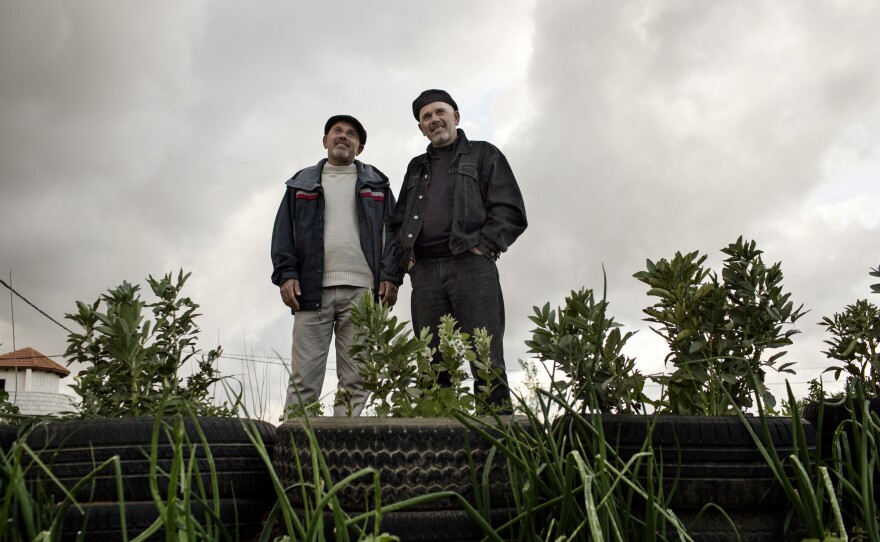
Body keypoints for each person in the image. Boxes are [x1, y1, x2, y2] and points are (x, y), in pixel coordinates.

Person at [390, 89, 527, 411]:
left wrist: (483, 247)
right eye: (426, 117)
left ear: (456, 116)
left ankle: (495, 444)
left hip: (472, 267)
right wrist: (407, 261)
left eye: (440, 112)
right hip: (425, 273)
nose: (434, 119)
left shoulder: (483, 154)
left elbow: (509, 210)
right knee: (431, 361)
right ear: (421, 128)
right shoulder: (416, 167)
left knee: (485, 357)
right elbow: (398, 221)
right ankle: (440, 448)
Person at [271, 115, 400, 417]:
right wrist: (286, 274)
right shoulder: (300, 184)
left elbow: (394, 235)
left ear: (360, 146)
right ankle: (300, 455)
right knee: (304, 381)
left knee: (357, 380)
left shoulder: (378, 185)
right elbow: (282, 234)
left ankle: (345, 456)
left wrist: (391, 276)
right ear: (325, 141)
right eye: (337, 132)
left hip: (363, 295)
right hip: (311, 292)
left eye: (351, 134)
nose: (343, 137)